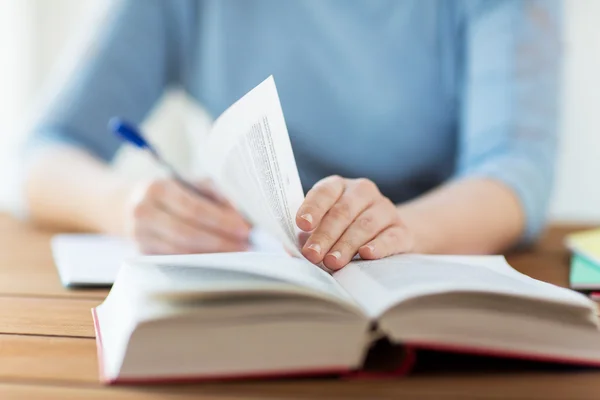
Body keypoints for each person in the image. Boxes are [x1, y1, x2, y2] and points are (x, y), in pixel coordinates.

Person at [21, 0, 562, 271]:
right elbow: (41, 151)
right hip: (246, 286)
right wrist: (126, 205)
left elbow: (516, 170)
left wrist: (398, 230)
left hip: (411, 278)